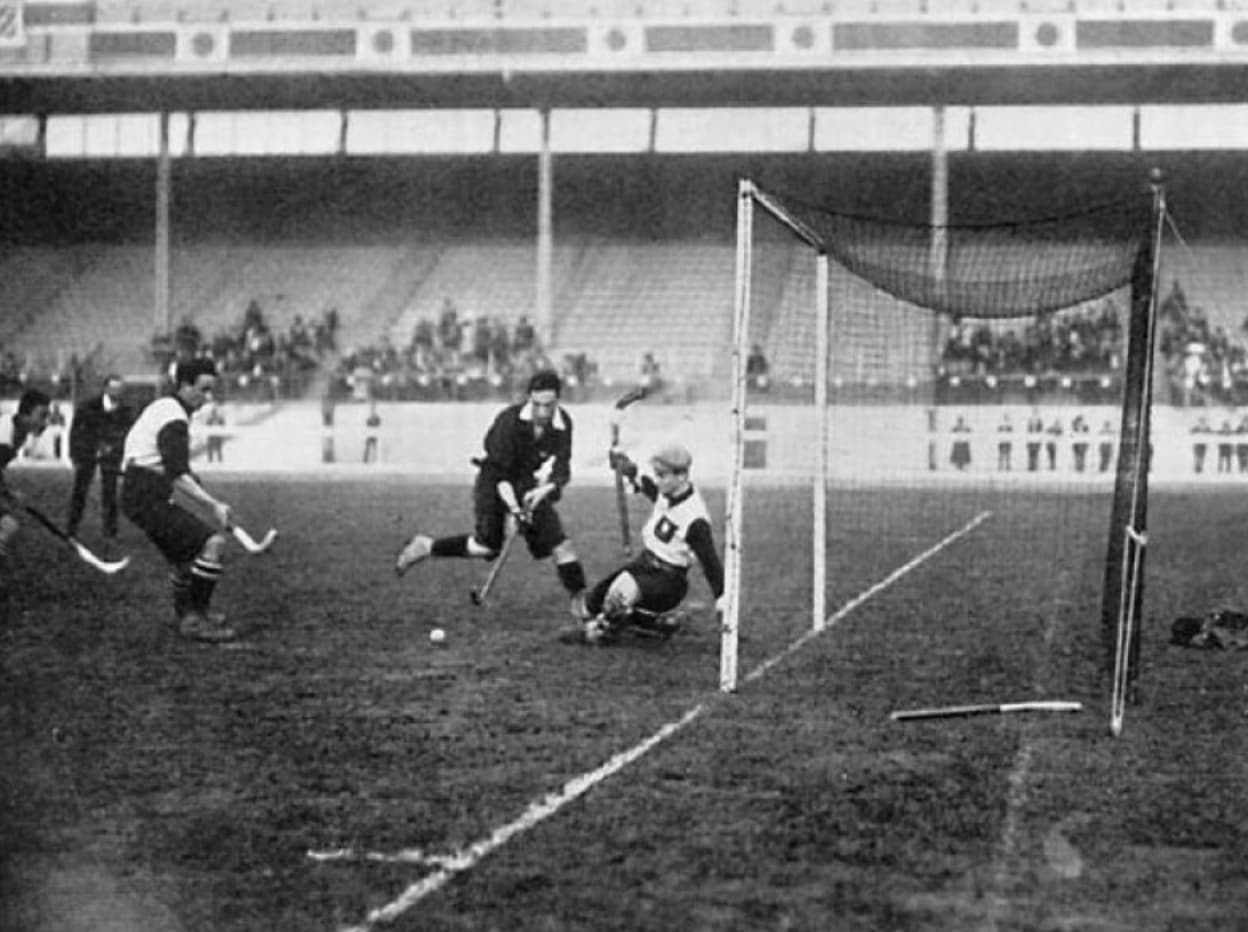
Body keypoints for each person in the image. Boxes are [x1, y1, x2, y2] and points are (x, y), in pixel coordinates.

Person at [394, 370, 588, 614]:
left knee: (562, 546)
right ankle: (427, 546)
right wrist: (515, 511)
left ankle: (582, 603)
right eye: (537, 404)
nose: (542, 412)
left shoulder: (563, 424)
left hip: (528, 487)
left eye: (548, 406)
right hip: (494, 481)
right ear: (529, 398)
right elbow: (502, 476)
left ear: (558, 401)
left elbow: (562, 469)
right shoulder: (509, 421)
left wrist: (545, 490)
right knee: (487, 547)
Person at [120, 358, 238, 642]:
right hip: (146, 495)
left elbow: (150, 458)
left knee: (184, 559)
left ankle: (187, 614)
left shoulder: (164, 407)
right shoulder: (174, 419)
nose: (208, 398)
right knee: (213, 544)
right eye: (204, 389)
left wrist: (183, 476)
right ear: (185, 385)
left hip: (139, 492)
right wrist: (214, 505)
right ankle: (196, 619)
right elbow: (177, 474)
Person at [561, 442, 724, 645]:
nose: (658, 480)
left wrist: (722, 599)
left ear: (681, 476)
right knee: (592, 603)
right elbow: (649, 488)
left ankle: (599, 633)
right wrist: (625, 467)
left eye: (662, 475)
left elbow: (711, 564)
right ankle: (651, 623)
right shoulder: (669, 492)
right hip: (644, 564)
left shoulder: (695, 519)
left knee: (618, 596)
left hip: (667, 581)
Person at [67, 374, 132, 538]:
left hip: (111, 457)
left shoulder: (126, 411)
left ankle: (110, 531)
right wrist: (75, 454)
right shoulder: (88, 407)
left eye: (119, 389)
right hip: (87, 453)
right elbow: (75, 432)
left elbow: (127, 434)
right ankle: (71, 528)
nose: (116, 392)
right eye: (113, 388)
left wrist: (115, 448)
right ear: (105, 388)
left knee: (109, 493)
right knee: (80, 491)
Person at [0, 389, 52, 581]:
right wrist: (9, 493)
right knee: (8, 526)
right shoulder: (4, 437)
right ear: (24, 414)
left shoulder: (18, 432)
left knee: (8, 525)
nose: (45, 422)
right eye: (42, 415)